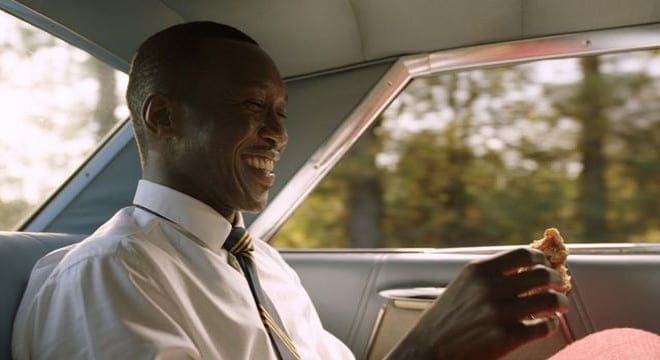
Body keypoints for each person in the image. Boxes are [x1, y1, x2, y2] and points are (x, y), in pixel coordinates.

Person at [12, 22, 568, 359]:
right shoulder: (110, 275)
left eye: (280, 112)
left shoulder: (265, 267)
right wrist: (430, 349)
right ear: (164, 119)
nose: (278, 134)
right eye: (252, 107)